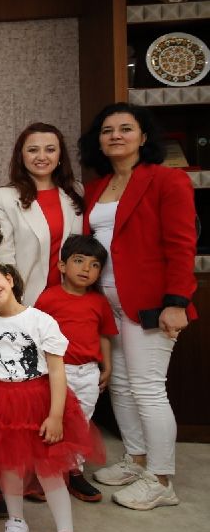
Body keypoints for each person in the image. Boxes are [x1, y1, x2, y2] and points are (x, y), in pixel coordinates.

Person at [79, 103, 197, 510]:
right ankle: (137, 459)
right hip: (107, 302)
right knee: (121, 386)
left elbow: (182, 244)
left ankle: (161, 480)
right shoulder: (97, 187)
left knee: (148, 388)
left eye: (125, 128)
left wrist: (177, 301)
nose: (116, 135)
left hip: (150, 303)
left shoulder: (167, 180)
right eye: (107, 130)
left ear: (143, 137)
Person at [0, 260, 101, 532]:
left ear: (9, 278)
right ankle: (16, 522)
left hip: (40, 400)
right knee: (10, 469)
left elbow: (57, 370)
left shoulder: (41, 320)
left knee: (50, 471)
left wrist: (55, 415)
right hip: (2, 405)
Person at [35, 234, 117, 503]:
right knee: (52, 420)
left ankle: (74, 471)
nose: (86, 269)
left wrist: (107, 366)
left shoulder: (99, 302)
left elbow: (104, 335)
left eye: (94, 265)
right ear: (62, 266)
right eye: (79, 261)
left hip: (88, 372)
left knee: (82, 423)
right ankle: (46, 473)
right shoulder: (48, 298)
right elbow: (37, 337)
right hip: (58, 373)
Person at [0, 123, 84, 305]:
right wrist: (12, 303)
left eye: (50, 150)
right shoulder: (3, 198)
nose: (42, 157)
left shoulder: (76, 191)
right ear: (21, 156)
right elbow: (2, 258)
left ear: (60, 155)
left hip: (73, 298)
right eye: (33, 150)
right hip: (28, 300)